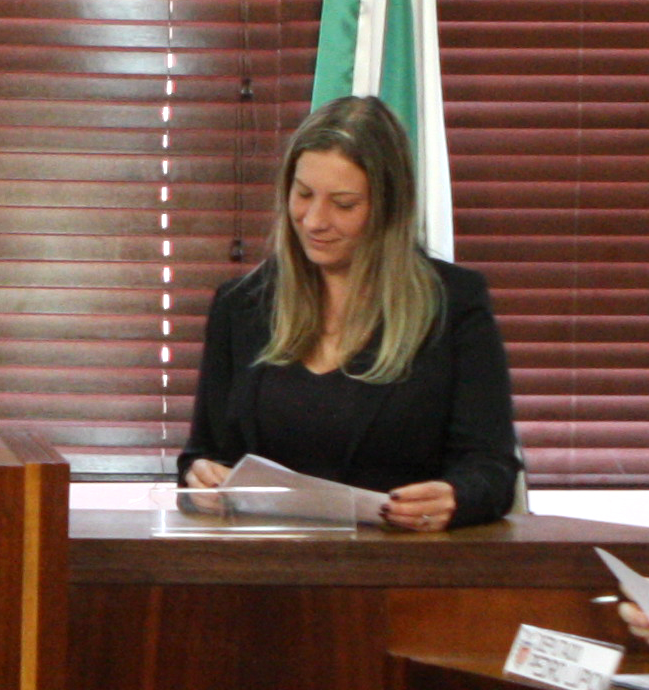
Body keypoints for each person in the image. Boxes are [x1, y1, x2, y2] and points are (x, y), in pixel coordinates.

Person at [177, 94, 520, 533]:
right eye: (303, 195)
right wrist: (201, 480)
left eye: (343, 204)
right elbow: (203, 454)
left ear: (387, 208)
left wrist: (457, 497)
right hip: (265, 560)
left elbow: (492, 469)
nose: (314, 221)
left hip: (403, 561)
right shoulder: (240, 305)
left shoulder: (454, 305)